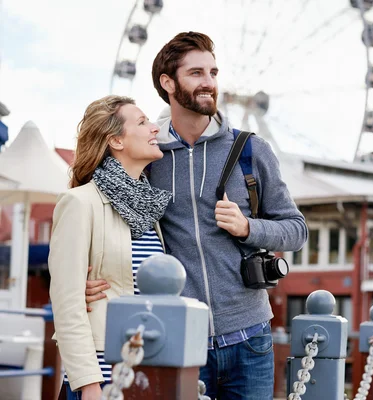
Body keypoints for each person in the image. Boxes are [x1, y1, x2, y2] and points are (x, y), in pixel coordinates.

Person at [85, 32, 308, 399]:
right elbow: (100, 210)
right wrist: (84, 277)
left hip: (250, 338)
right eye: (196, 73)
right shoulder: (150, 156)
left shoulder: (252, 150)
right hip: (180, 340)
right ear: (168, 83)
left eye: (213, 72)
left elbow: (296, 230)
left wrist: (248, 226)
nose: (209, 83)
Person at [49, 95, 172, 400]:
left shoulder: (149, 207)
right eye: (142, 122)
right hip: (102, 378)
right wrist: (89, 384)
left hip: (145, 375)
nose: (155, 128)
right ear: (116, 140)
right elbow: (66, 304)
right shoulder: (79, 203)